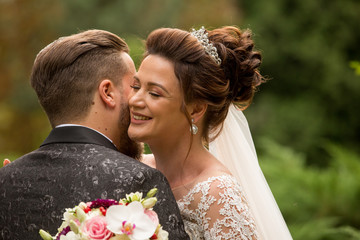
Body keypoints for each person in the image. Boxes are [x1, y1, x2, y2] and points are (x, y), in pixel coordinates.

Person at [0, 30, 189, 240]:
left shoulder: (5, 182)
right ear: (107, 92)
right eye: (134, 86)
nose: (137, 99)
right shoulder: (139, 180)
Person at [128, 26, 293, 239]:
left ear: (196, 109)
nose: (134, 100)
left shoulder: (217, 193)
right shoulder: (132, 165)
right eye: (135, 86)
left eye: (154, 93)